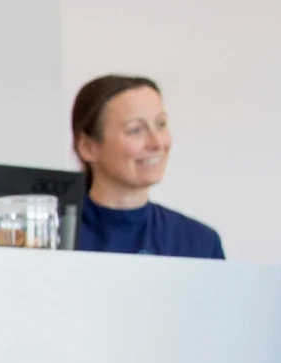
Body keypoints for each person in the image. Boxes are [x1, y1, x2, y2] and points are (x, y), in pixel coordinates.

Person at [69, 74, 225, 258]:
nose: (157, 143)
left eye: (161, 124)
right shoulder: (48, 237)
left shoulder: (200, 242)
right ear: (87, 147)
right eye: (135, 130)